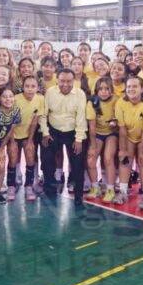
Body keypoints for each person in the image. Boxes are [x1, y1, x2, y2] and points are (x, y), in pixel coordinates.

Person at [40, 68, 88, 206]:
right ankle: (49, 190)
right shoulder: (50, 92)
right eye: (62, 81)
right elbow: (44, 114)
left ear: (74, 81)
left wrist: (79, 139)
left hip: (73, 132)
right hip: (53, 131)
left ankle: (78, 195)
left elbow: (81, 118)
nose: (65, 84)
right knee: (47, 159)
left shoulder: (80, 94)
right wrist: (45, 133)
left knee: (78, 164)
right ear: (57, 80)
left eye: (68, 81)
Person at [114, 76, 143, 205]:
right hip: (128, 136)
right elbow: (122, 128)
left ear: (142, 89)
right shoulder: (121, 102)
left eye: (135, 86)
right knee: (125, 160)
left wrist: (142, 152)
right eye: (129, 86)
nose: (131, 89)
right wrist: (123, 149)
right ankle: (123, 192)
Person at [9, 75, 47, 202]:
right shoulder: (15, 99)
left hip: (27, 134)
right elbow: (10, 121)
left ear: (37, 87)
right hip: (13, 134)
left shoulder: (40, 99)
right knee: (13, 157)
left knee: (30, 154)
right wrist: (12, 140)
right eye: (27, 86)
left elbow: (35, 121)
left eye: (33, 86)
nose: (30, 89)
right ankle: (11, 186)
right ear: (22, 87)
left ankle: (29, 186)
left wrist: (30, 140)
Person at [85, 77, 119, 201]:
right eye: (101, 89)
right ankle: (95, 187)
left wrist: (115, 122)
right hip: (97, 134)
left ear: (111, 90)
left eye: (107, 89)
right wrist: (93, 147)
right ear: (96, 91)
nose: (104, 92)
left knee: (108, 158)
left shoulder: (116, 100)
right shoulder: (92, 102)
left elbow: (119, 118)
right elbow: (92, 127)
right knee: (90, 159)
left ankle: (110, 189)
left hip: (112, 133)